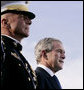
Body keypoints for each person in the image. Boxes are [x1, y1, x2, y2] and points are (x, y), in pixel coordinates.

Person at [1, 1, 37, 89]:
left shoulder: (18, 55)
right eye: (23, 17)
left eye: (29, 18)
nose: (29, 22)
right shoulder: (3, 48)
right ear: (5, 22)